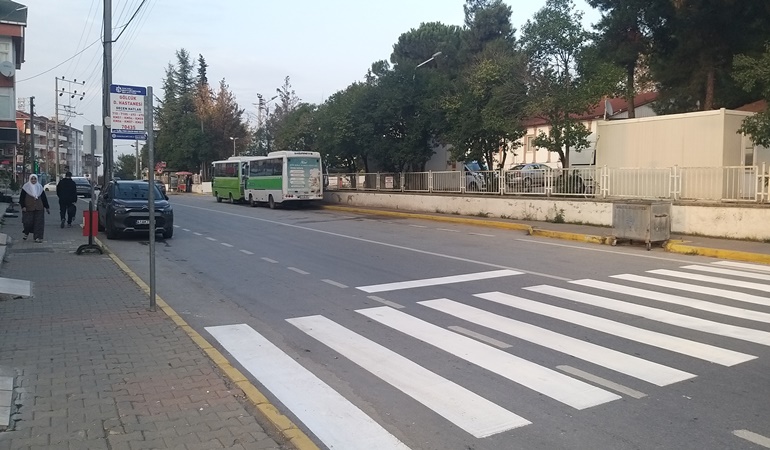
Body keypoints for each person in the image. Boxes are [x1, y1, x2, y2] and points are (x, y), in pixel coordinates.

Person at [19, 174, 50, 243]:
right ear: (30, 179)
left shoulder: (39, 187)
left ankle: (38, 237)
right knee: (28, 222)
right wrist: (23, 206)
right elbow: (22, 198)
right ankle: (26, 232)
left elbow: (44, 198)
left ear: (36, 180)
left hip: (39, 208)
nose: (33, 180)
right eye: (32, 179)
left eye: (35, 179)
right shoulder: (25, 187)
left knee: (39, 223)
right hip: (28, 208)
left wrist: (47, 207)